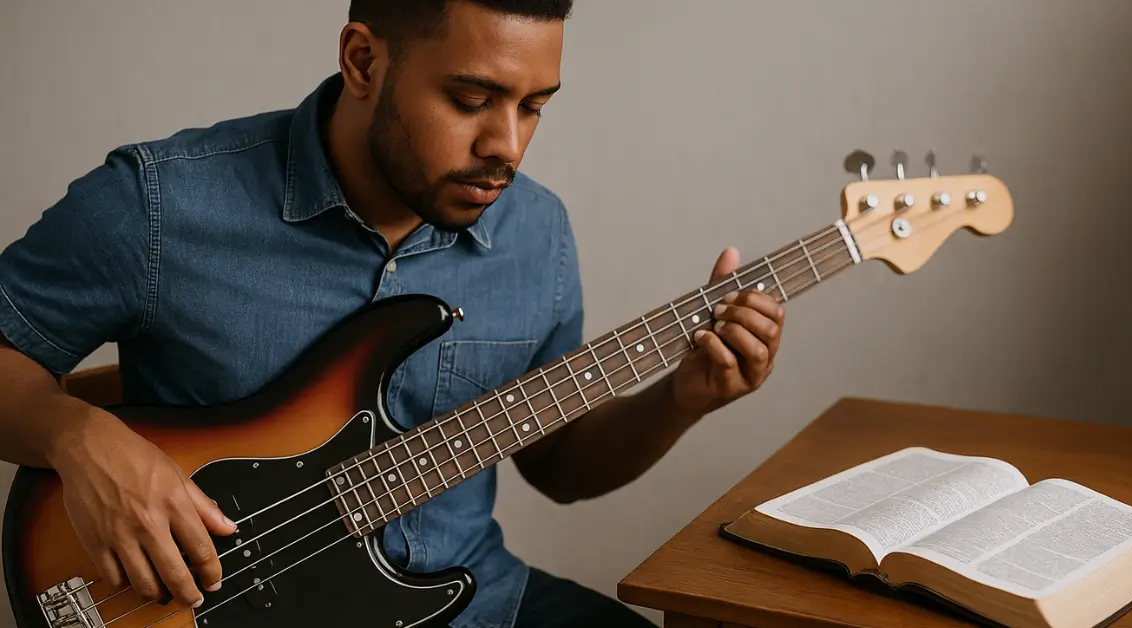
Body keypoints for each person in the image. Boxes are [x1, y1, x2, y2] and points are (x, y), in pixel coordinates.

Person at [0, 1, 786, 626]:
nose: (508, 145)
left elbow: (558, 466)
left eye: (534, 107)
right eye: (472, 99)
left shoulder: (537, 233)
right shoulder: (160, 205)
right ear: (363, 61)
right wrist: (78, 437)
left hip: (474, 601)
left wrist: (681, 398)